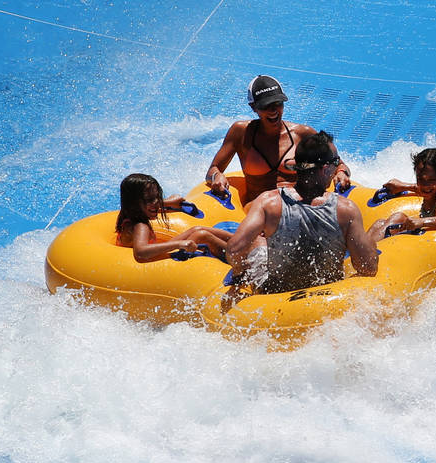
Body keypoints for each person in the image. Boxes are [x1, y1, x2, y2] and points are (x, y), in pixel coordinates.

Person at [224, 131, 377, 301]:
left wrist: (240, 275)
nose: (336, 168)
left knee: (259, 239)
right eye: (336, 162)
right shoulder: (346, 209)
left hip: (274, 295)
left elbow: (234, 249)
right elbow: (368, 268)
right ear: (325, 169)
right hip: (329, 295)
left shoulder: (268, 202)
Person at [205, 75, 352, 205]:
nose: (273, 110)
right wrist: (217, 175)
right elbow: (213, 169)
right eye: (266, 106)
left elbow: (338, 164)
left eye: (278, 103)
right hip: (260, 209)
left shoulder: (303, 134)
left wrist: (341, 172)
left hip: (299, 206)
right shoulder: (241, 133)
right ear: (253, 107)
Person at [115, 173, 232, 262]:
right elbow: (141, 252)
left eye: (157, 197)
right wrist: (179, 244)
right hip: (152, 260)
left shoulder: (128, 215)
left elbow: (149, 206)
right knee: (202, 235)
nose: (156, 202)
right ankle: (237, 254)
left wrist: (168, 203)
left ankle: (238, 240)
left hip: (155, 253)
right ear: (134, 203)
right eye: (150, 199)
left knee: (196, 229)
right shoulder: (140, 226)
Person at [368, 148, 436, 242]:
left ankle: (366, 254)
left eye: (431, 180)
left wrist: (422, 222)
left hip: (433, 242)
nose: (425, 185)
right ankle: (357, 251)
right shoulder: (430, 191)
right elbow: (417, 188)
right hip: (422, 238)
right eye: (420, 179)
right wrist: (401, 186)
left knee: (399, 217)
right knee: (379, 223)